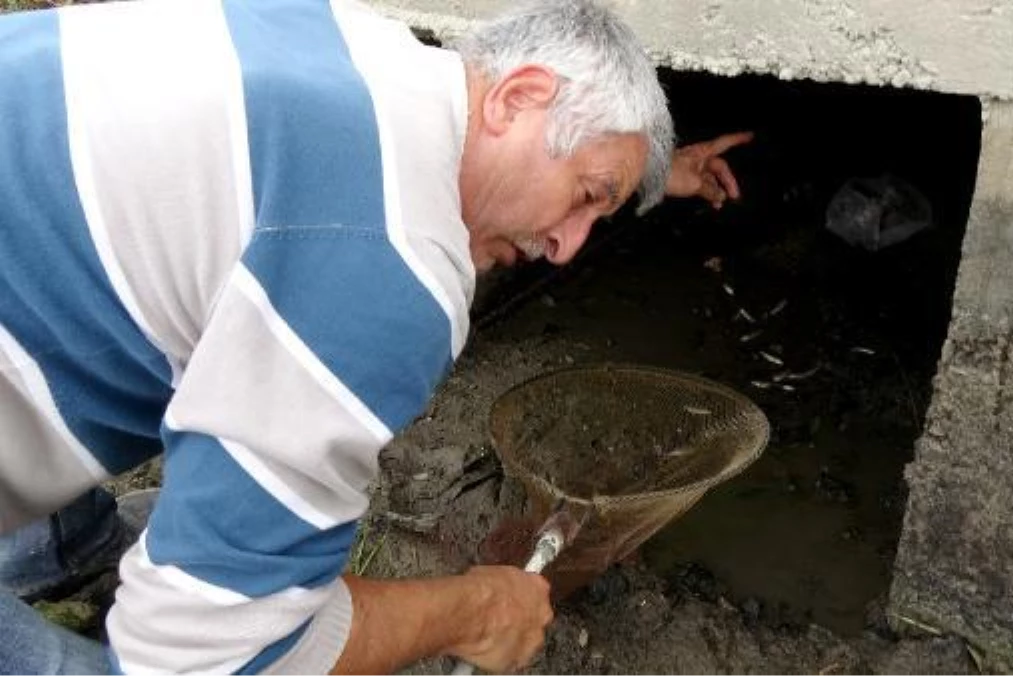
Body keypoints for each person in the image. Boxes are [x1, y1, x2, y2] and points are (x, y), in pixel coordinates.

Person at [0, 0, 752, 672]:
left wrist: (639, 176)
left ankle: (69, 548)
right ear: (519, 97)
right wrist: (477, 611)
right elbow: (204, 659)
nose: (570, 247)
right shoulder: (389, 266)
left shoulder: (354, 42)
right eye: (587, 198)